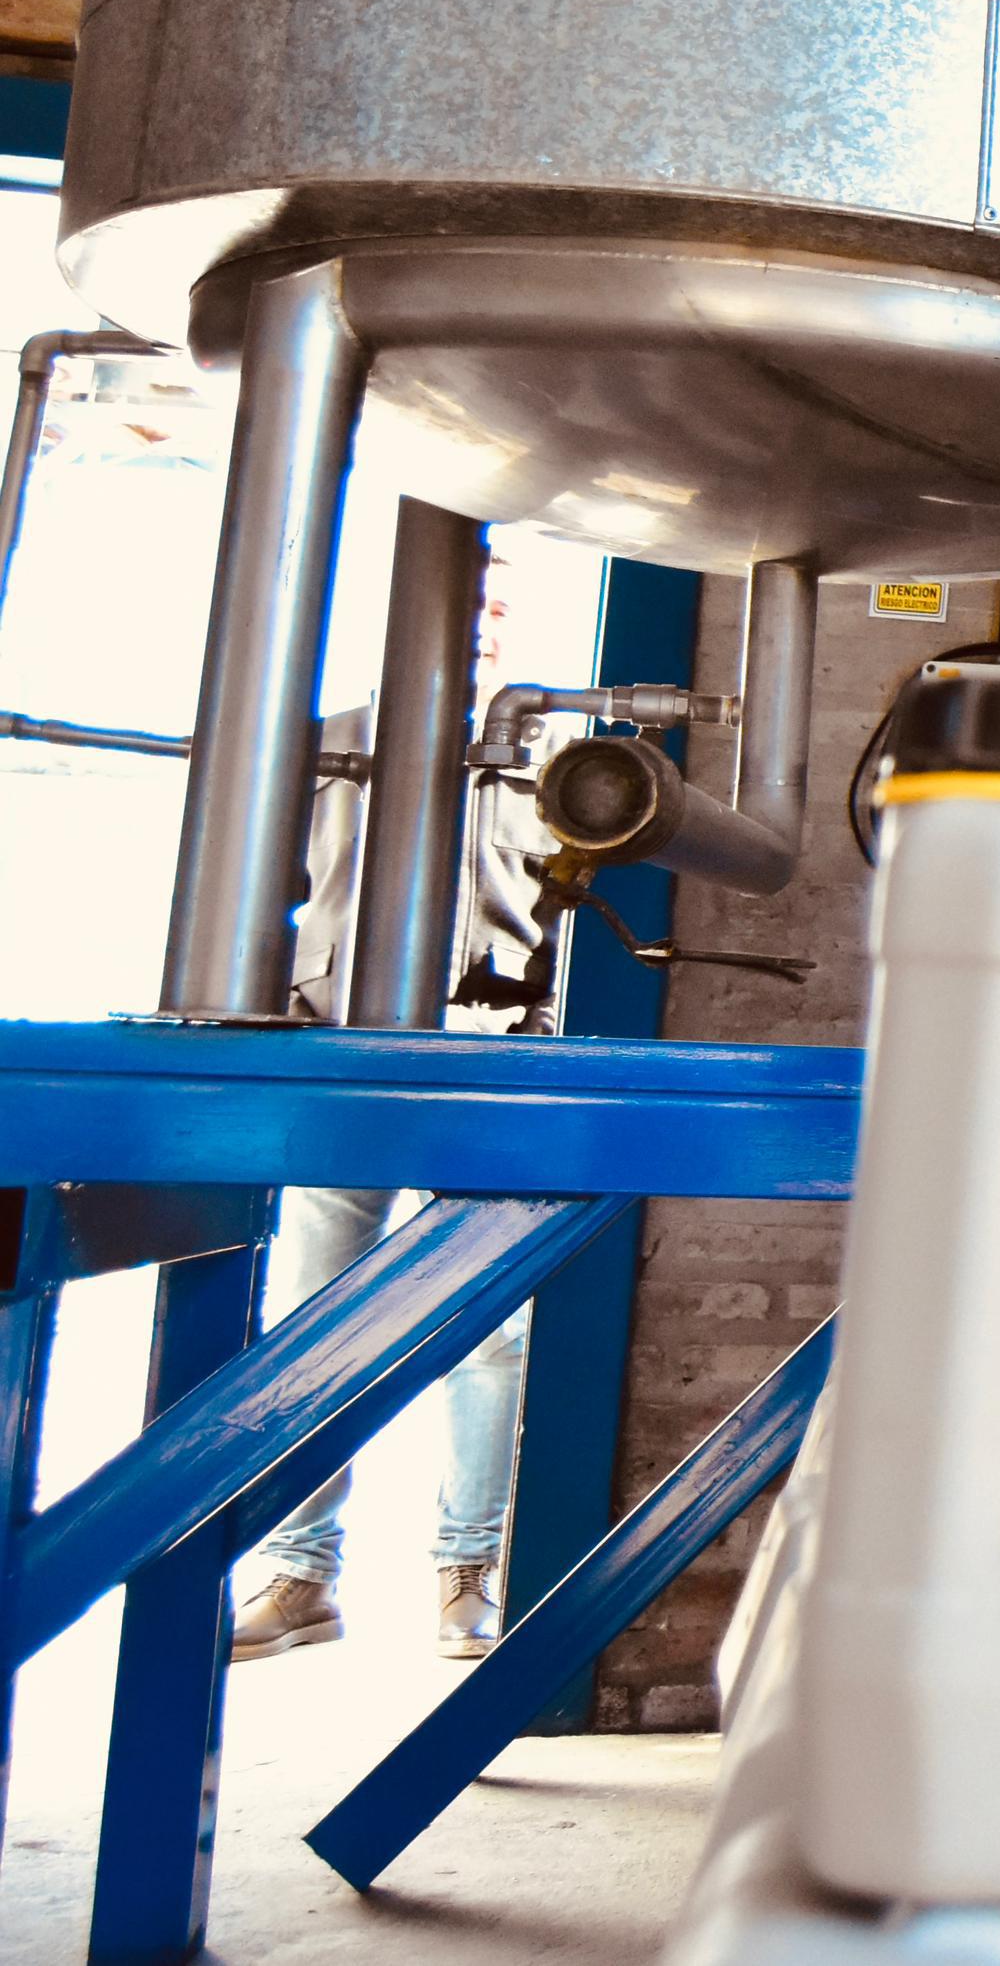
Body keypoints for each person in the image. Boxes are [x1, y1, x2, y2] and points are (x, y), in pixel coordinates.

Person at [230, 711, 553, 1660]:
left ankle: (470, 1571)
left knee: (492, 1335)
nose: (478, 634)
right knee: (316, 1325)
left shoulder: (547, 758)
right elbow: (261, 890)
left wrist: (536, 1038)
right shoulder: (323, 737)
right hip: (341, 1054)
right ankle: (299, 1573)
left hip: (482, 1060)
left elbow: (563, 912)